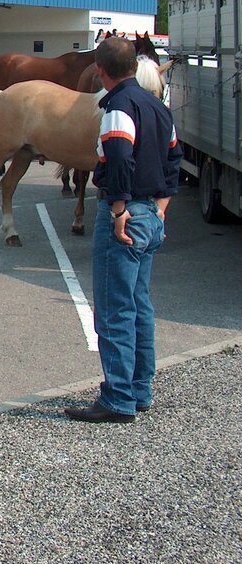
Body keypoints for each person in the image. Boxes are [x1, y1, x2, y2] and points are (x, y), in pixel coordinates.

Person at [65, 37, 182, 424]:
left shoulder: (117, 106)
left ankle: (117, 398)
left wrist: (118, 209)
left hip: (126, 213)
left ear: (100, 71)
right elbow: (173, 157)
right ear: (135, 67)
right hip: (151, 213)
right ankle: (139, 390)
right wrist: (161, 208)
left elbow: (118, 158)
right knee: (139, 306)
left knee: (114, 308)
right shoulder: (156, 106)